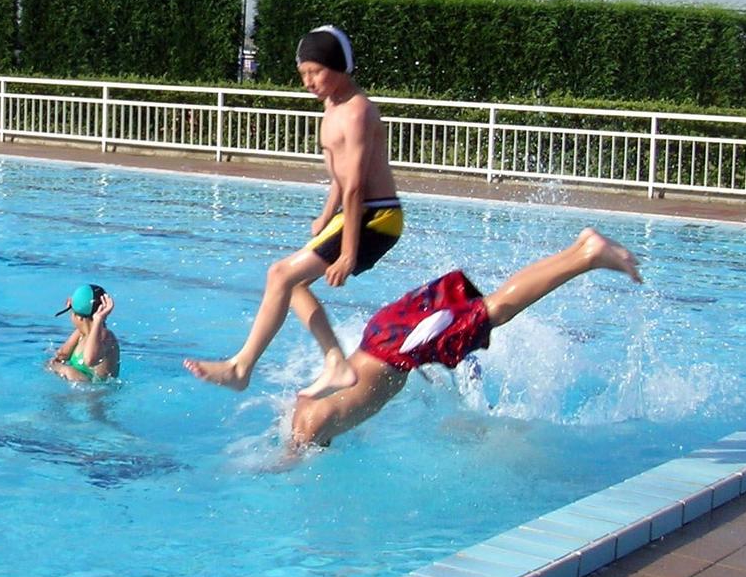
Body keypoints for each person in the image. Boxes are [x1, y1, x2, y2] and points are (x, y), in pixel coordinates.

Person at [186, 26, 402, 396]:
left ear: (339, 66)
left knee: (280, 275)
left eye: (315, 72)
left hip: (374, 218)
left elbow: (355, 186)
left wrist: (348, 253)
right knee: (291, 284)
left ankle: (242, 367)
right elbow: (340, 173)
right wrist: (326, 213)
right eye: (303, 74)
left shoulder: (356, 112)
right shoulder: (333, 106)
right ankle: (335, 361)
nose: (308, 82)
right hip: (354, 215)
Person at [287, 228, 643, 453]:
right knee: (493, 303)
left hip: (400, 349)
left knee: (498, 309)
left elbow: (299, 451)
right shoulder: (305, 404)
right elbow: (294, 291)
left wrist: (283, 465)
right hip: (382, 332)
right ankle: (579, 247)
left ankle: (586, 256)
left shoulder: (311, 431)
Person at [49, 283, 119, 381]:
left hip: (99, 394)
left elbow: (90, 360)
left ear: (79, 317)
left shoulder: (105, 336)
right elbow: (61, 355)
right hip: (81, 392)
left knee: (69, 371)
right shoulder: (81, 334)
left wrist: (98, 319)